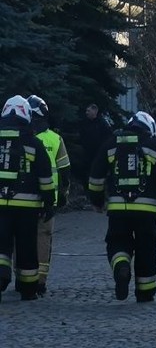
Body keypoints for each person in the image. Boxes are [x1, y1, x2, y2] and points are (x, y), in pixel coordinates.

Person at [87, 111, 156, 303]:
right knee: (146, 249)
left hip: (118, 210)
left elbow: (95, 177)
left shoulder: (111, 144)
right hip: (147, 211)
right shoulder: (155, 146)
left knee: (117, 241)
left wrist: (97, 201)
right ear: (149, 129)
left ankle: (121, 266)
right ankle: (145, 292)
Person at [0, 95, 55, 302]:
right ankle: (28, 289)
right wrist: (49, 203)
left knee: (1, 242)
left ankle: (2, 273)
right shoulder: (33, 142)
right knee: (26, 247)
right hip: (28, 207)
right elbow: (45, 178)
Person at [23, 95, 71, 296]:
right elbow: (65, 170)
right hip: (47, 200)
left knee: (22, 238)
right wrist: (63, 195)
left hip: (23, 198)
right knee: (43, 238)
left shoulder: (23, 139)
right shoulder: (55, 139)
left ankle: (22, 279)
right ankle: (40, 282)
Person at [77, 103, 112, 184]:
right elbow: (82, 136)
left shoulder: (102, 123)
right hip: (87, 154)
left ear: (95, 111)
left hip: (99, 154)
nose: (86, 112)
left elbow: (108, 138)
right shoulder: (85, 123)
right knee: (86, 173)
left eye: (88, 110)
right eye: (86, 111)